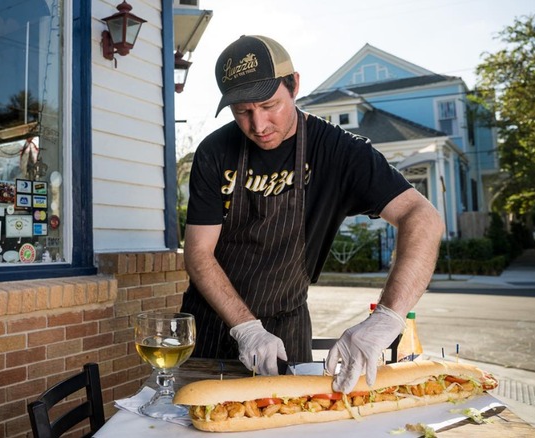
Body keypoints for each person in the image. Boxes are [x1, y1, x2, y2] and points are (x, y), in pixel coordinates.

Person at [180, 35, 444, 394]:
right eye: (243, 111)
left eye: (269, 105)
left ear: (295, 86)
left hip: (287, 330)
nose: (258, 125)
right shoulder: (215, 152)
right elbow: (198, 254)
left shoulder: (339, 152)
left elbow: (421, 216)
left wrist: (387, 317)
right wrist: (246, 327)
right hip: (212, 327)